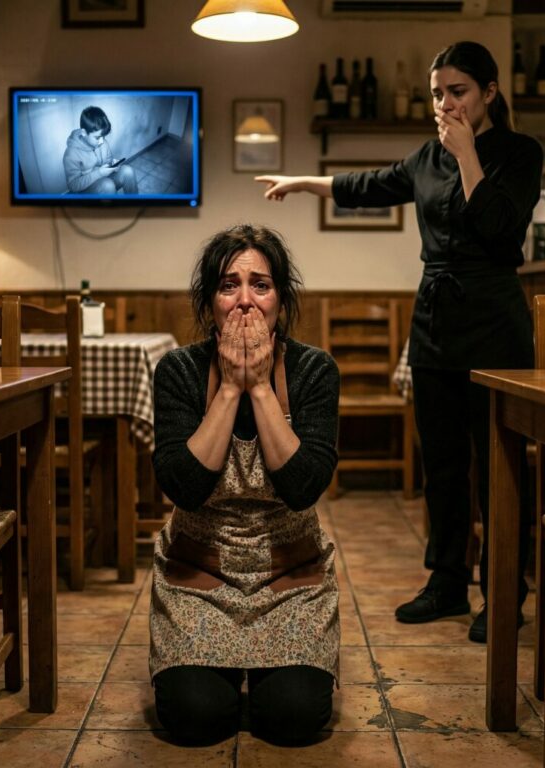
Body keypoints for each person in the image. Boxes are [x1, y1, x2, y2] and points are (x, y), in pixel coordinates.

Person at [256, 41, 542, 644]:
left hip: (494, 320)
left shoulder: (520, 153)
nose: (445, 104)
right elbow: (370, 185)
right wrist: (305, 182)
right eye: (438, 93)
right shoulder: (425, 157)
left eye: (457, 91)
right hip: (435, 323)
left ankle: (505, 594)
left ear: (489, 93)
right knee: (442, 466)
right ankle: (445, 583)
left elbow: (497, 226)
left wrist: (466, 154)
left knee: (498, 469)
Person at [149, 224, 340, 745]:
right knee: (195, 718)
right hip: (198, 575)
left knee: (293, 719)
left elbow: (303, 486)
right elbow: (183, 486)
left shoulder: (314, 370)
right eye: (228, 285)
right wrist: (231, 386)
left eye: (261, 284)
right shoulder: (178, 371)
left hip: (290, 576)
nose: (245, 302)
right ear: (210, 300)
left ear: (281, 298)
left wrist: (259, 388)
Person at [62, 105, 138, 194]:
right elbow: (73, 185)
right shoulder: (71, 154)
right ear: (84, 133)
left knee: (128, 171)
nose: (102, 141)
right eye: (97, 137)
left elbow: (108, 160)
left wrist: (113, 166)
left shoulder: (102, 142)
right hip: (86, 190)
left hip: (105, 179)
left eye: (103, 136)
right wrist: (99, 173)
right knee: (108, 186)